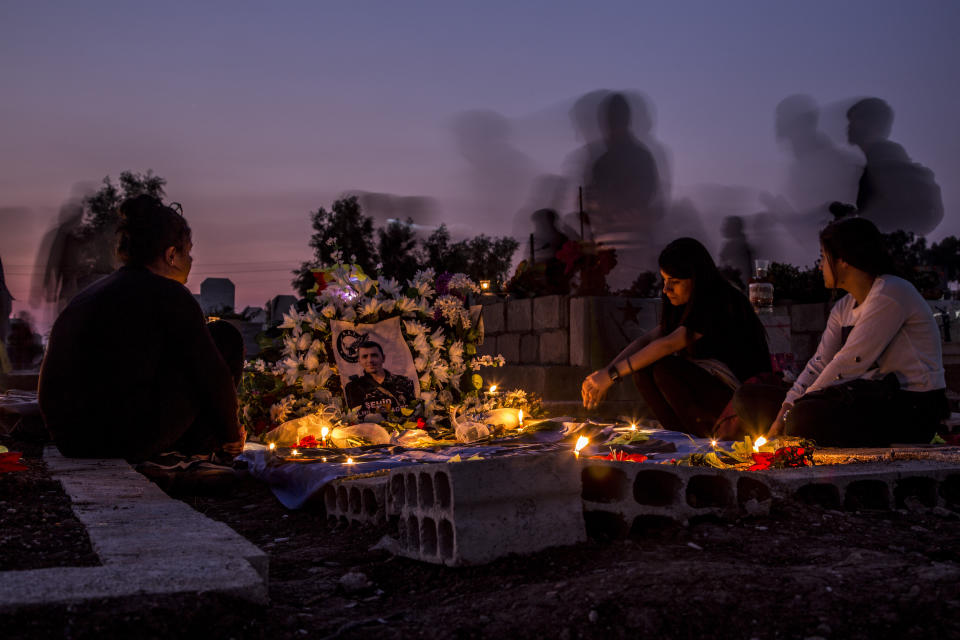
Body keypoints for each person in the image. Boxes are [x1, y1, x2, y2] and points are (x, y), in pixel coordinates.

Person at [39, 195, 245, 462]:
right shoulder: (170, 294)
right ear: (172, 254)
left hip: (71, 440)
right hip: (123, 440)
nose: (191, 261)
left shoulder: (88, 296)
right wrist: (231, 434)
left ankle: (184, 450)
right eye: (188, 252)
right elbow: (213, 375)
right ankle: (203, 453)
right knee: (223, 337)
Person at [760, 216, 947, 446]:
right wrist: (786, 406)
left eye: (823, 256)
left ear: (843, 259)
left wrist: (796, 408)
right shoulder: (844, 307)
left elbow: (850, 361)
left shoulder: (891, 292)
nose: (820, 265)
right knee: (753, 400)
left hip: (912, 407)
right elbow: (820, 363)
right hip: (871, 397)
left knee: (803, 417)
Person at [582, 237, 771, 436]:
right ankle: (680, 437)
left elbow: (668, 344)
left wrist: (612, 375)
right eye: (664, 280)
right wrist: (605, 373)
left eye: (675, 282)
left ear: (697, 279)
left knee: (665, 369)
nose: (666, 289)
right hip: (717, 391)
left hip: (743, 402)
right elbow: (647, 340)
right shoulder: (684, 304)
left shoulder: (719, 300)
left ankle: (701, 440)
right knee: (643, 371)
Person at [344, 340, 415, 421]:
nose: (370, 360)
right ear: (359, 361)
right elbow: (353, 419)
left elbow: (413, 414)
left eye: (374, 355)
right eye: (365, 356)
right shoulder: (352, 388)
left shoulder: (405, 383)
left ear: (383, 358)